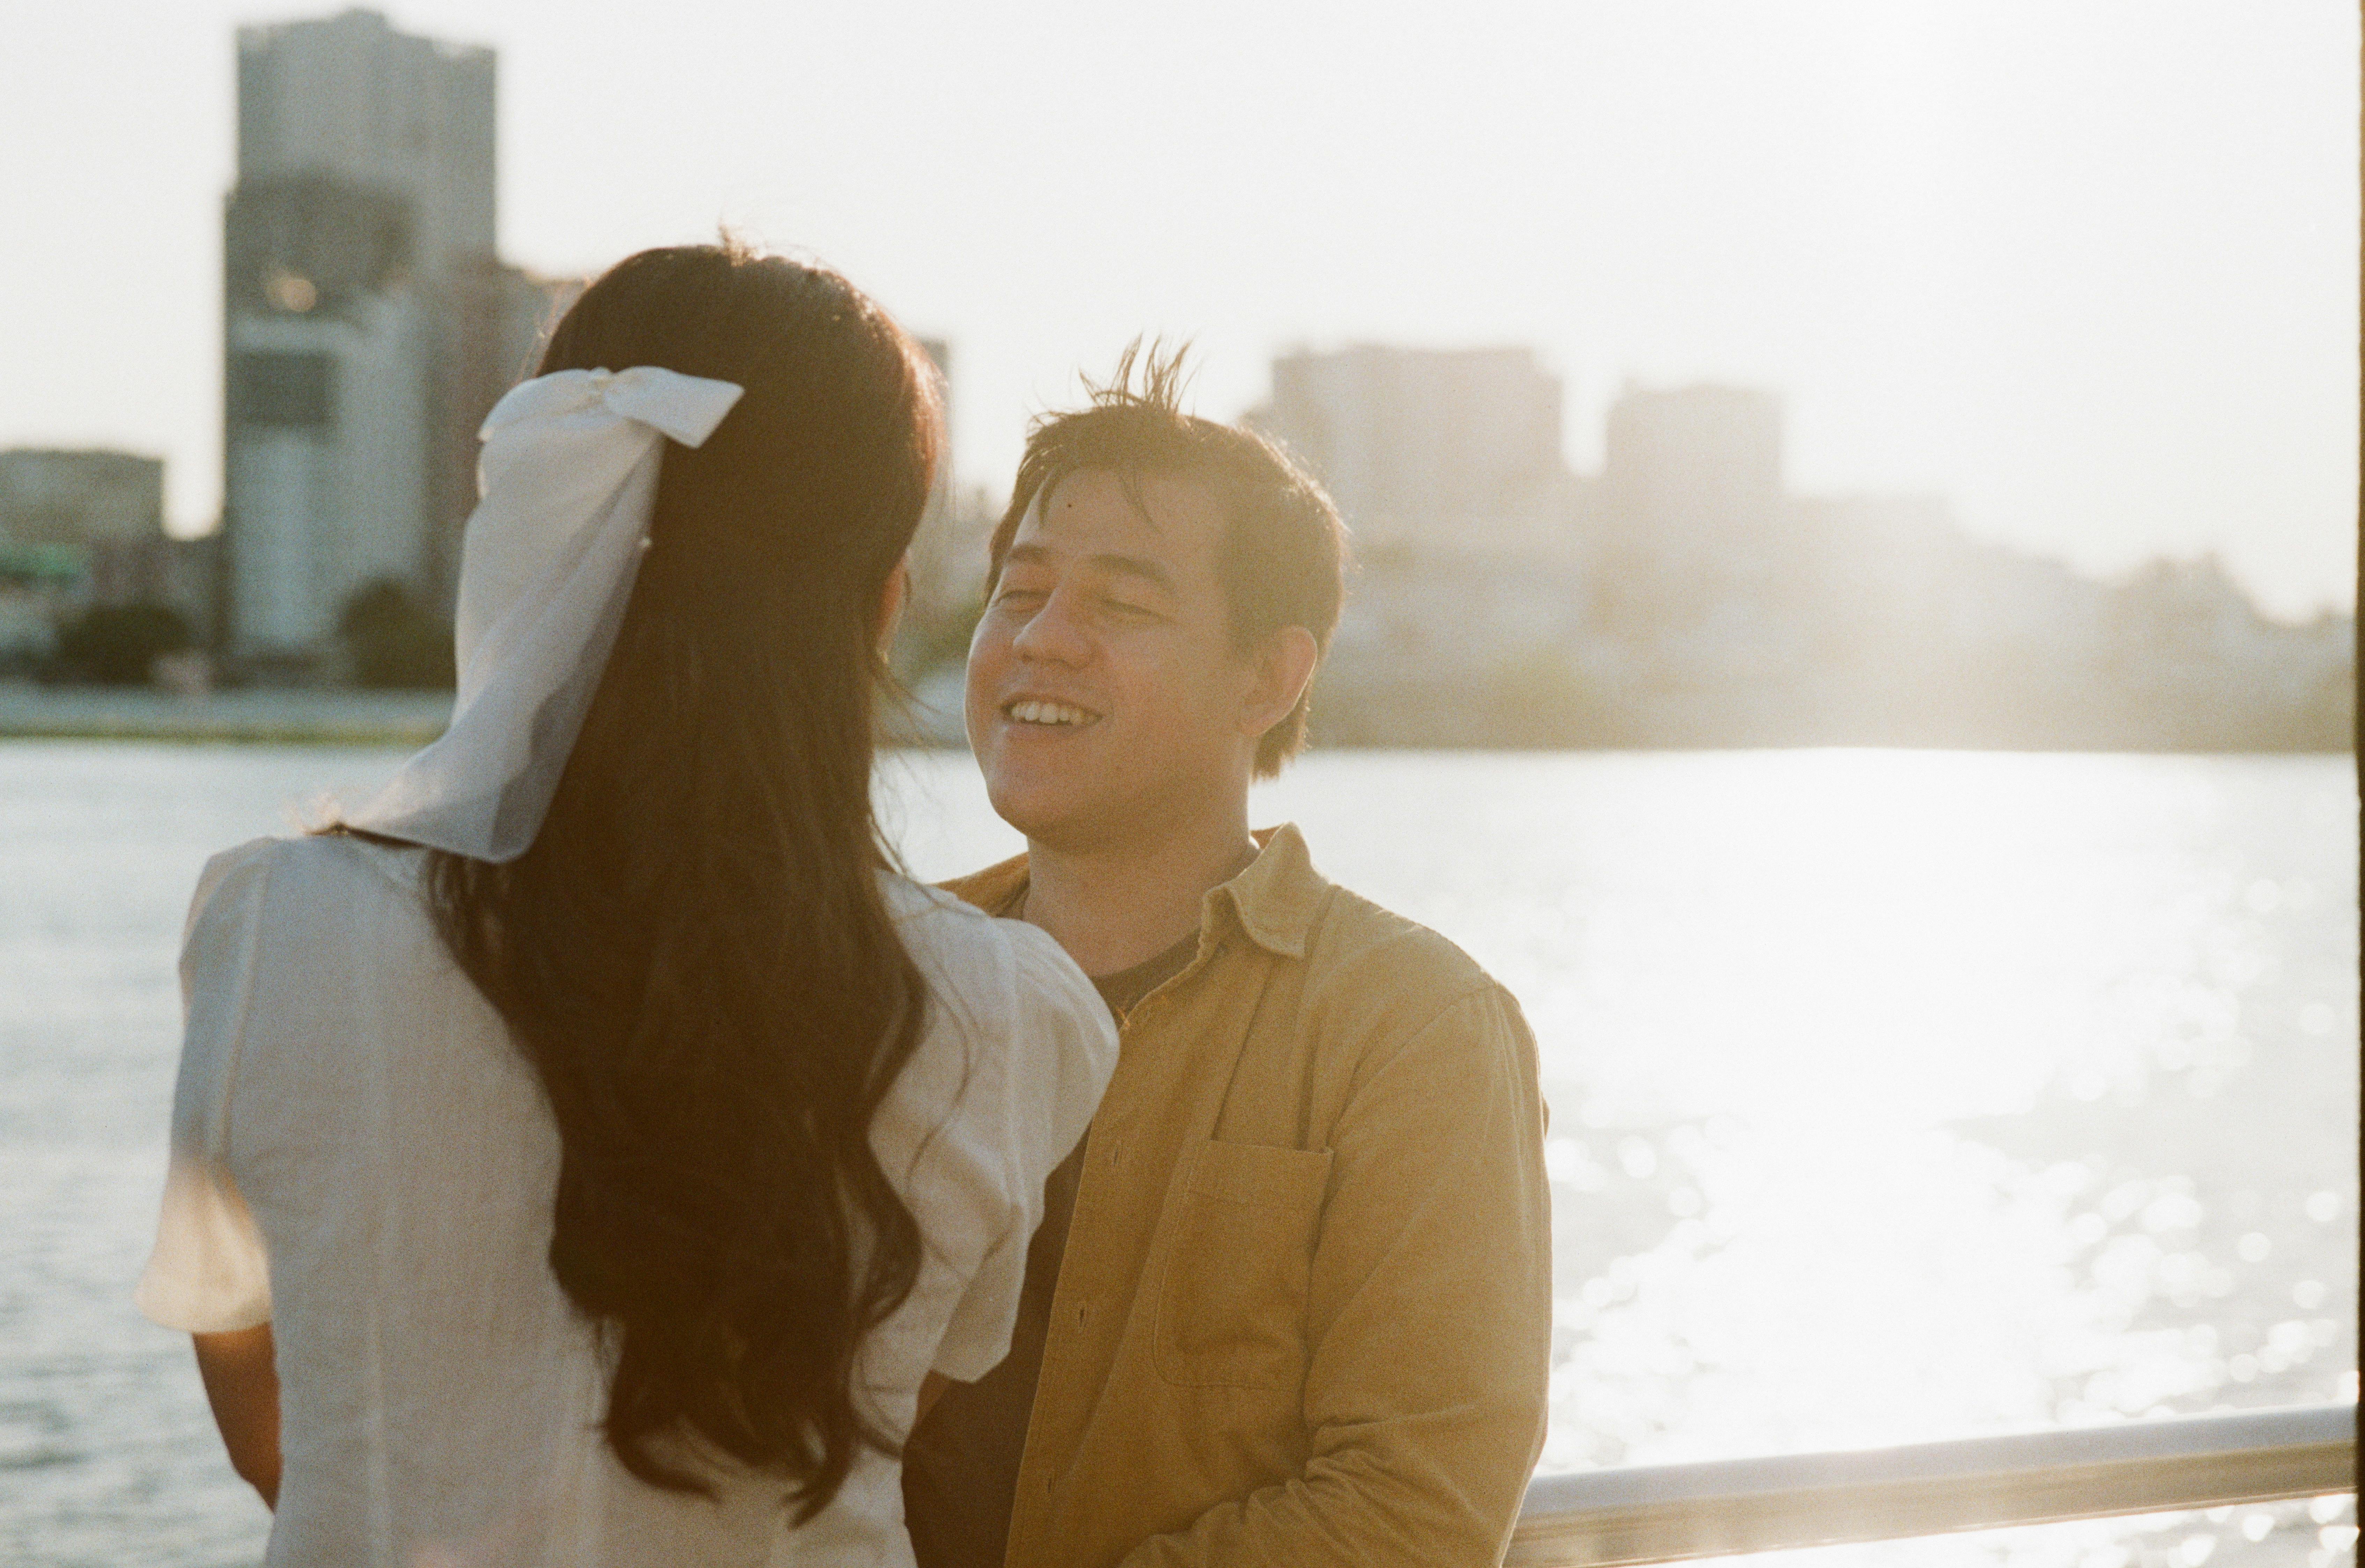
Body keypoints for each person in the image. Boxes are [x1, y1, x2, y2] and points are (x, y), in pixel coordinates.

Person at [135, 243, 1118, 1566]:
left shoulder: (278, 926)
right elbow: (908, 1417)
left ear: (547, 531)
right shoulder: (1018, 1018)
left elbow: (270, 1416)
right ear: (883, 601)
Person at [900, 348, 1552, 1568]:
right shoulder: (884, 974)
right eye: (1018, 589)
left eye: (1124, 605)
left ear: (1271, 673)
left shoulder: (1413, 1027)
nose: (1044, 639)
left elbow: (1414, 1506)